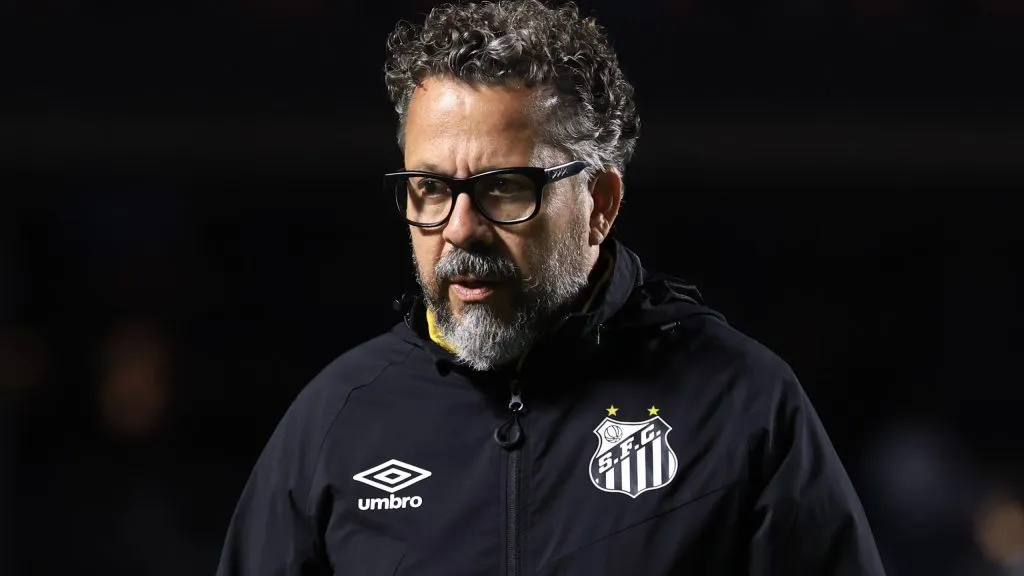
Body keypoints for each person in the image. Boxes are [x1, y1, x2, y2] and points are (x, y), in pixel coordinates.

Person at [216, 1, 886, 574]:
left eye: (505, 188)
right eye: (430, 190)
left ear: (600, 204)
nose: (460, 229)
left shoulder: (740, 405)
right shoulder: (335, 421)